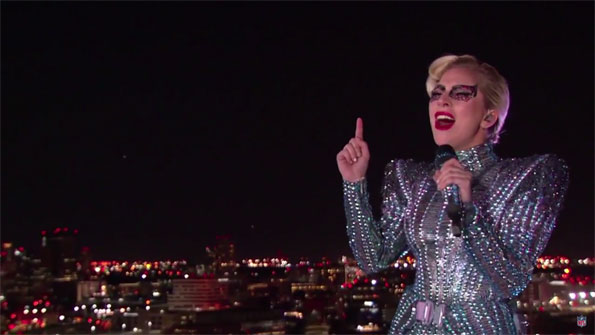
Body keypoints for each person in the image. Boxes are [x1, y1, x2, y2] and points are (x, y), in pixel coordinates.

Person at [336, 54, 569, 335]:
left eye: (460, 93)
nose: (442, 101)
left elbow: (511, 281)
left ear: (489, 116)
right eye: (437, 93)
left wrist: (466, 208)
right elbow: (373, 260)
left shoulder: (527, 177)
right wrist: (354, 184)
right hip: (412, 327)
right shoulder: (410, 178)